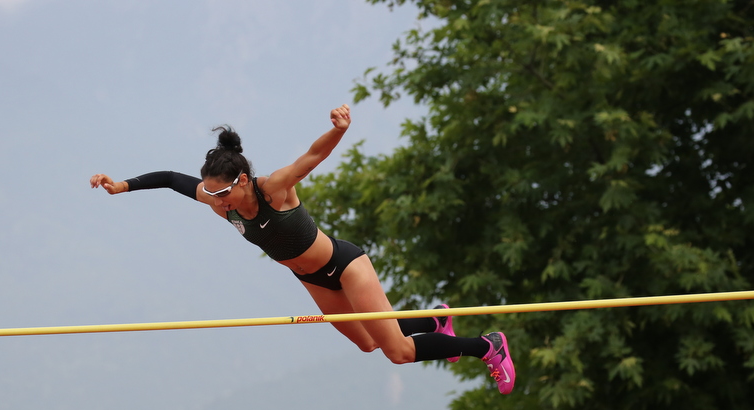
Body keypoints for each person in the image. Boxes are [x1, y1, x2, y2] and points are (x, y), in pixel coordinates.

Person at [90, 104, 515, 394]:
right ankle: (433, 320)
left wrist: (339, 129)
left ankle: (485, 345)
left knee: (398, 353)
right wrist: (121, 185)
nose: (215, 202)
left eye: (222, 193)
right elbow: (169, 177)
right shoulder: (218, 200)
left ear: (240, 181)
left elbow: (313, 156)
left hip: (345, 266)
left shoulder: (274, 189)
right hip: (312, 278)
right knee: (367, 343)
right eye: (211, 194)